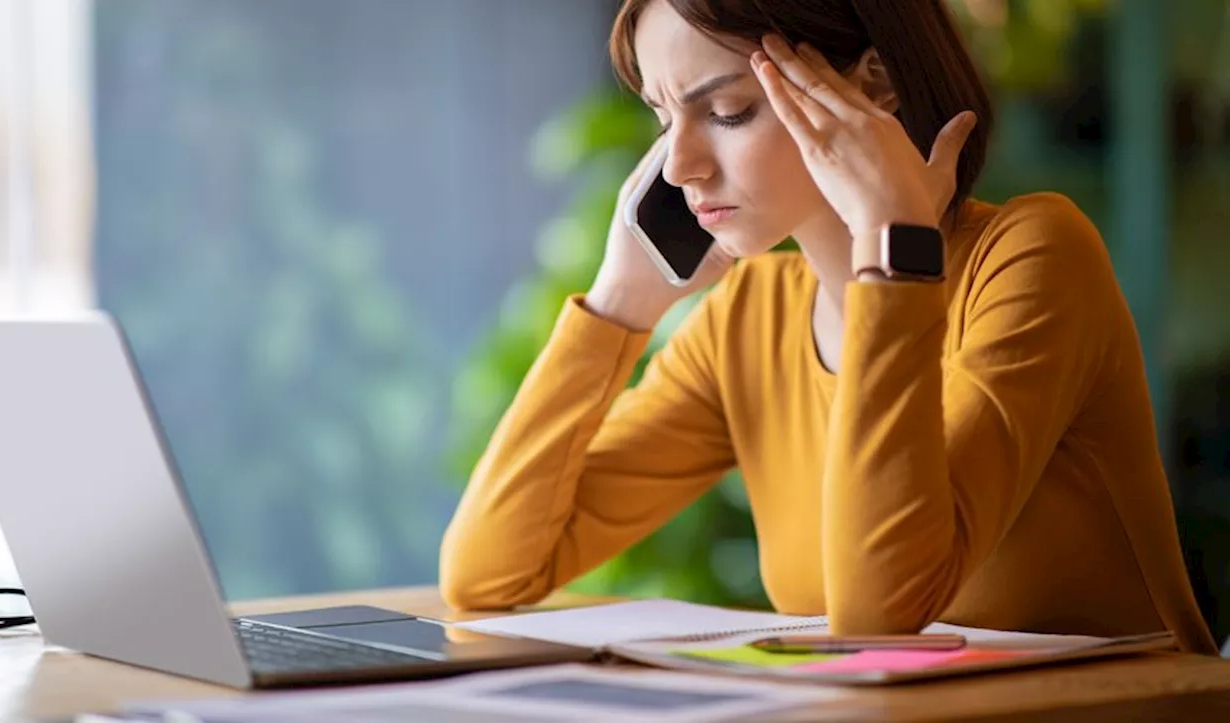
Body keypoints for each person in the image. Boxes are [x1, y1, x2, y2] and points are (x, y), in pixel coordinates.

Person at [439, 0, 1218, 654]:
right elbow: (488, 571)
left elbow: (883, 612)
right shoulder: (750, 318)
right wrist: (620, 302)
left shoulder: (1031, 257)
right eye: (662, 116)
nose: (677, 166)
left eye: (727, 110)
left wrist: (896, 251)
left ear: (872, 85)